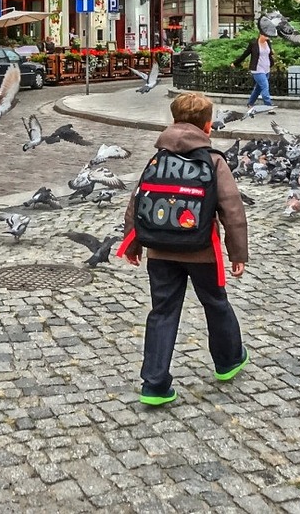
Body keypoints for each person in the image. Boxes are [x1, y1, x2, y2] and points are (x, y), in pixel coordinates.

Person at [118, 92, 249, 406]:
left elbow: (138, 202)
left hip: (160, 252)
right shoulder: (214, 160)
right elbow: (232, 210)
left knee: (162, 312)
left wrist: (133, 243)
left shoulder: (157, 158)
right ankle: (228, 360)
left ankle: (154, 384)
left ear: (173, 121)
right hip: (203, 250)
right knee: (216, 303)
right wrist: (238, 253)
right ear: (208, 126)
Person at [232, 22, 276, 114]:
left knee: (258, 88)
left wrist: (272, 53)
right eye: (266, 35)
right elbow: (245, 54)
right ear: (261, 34)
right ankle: (268, 107)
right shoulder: (253, 44)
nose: (268, 37)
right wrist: (235, 63)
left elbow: (269, 53)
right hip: (257, 69)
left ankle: (250, 103)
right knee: (265, 87)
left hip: (266, 68)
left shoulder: (268, 42)